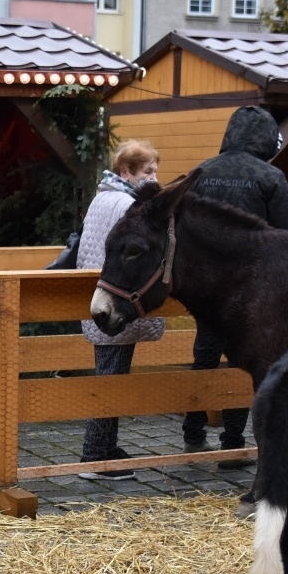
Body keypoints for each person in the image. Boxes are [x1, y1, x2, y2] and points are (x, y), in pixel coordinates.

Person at [183, 106, 288, 468]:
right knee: (241, 360)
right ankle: (231, 444)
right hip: (251, 290)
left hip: (205, 287)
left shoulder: (202, 172)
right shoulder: (271, 177)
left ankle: (192, 431)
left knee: (203, 356)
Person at [75, 141, 167, 481]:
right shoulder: (129, 205)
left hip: (102, 298)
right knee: (111, 377)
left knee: (109, 371)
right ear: (126, 171)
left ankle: (104, 448)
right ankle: (96, 455)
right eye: (147, 172)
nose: (153, 178)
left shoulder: (102, 198)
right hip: (117, 300)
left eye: (154, 171)